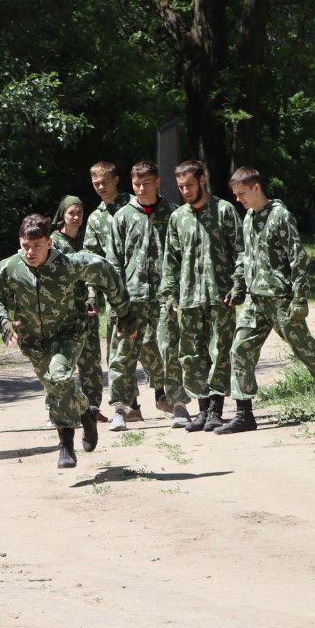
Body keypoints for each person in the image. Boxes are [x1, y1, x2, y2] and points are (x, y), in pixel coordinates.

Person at [0, 214, 137, 468]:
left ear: (49, 243)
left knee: (60, 377)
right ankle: (86, 413)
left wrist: (125, 312)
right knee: (55, 387)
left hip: (68, 332)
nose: (30, 252)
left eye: (37, 246)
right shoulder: (11, 267)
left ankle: (65, 445)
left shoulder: (69, 265)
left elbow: (105, 271)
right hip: (33, 340)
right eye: (25, 246)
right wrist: (3, 322)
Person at [214, 166, 315, 434]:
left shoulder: (281, 216)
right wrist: (238, 285)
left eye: (242, 193)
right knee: (240, 349)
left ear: (256, 187)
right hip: (255, 300)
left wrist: (300, 298)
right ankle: (244, 414)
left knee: (306, 350)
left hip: (281, 299)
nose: (238, 199)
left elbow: (298, 258)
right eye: (235, 195)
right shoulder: (248, 218)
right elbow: (246, 256)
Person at [160, 160, 244, 432]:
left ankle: (216, 410)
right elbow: (170, 261)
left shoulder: (224, 211)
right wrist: (170, 295)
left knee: (219, 352)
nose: (185, 190)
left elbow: (241, 251)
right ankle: (202, 409)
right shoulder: (178, 218)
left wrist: (238, 283)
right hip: (189, 298)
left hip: (220, 297)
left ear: (202, 181)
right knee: (191, 355)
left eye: (190, 185)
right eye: (181, 186)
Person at [105, 160, 187, 431]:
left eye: (147, 183)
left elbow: (181, 256)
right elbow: (113, 262)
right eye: (137, 184)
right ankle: (120, 409)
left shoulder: (173, 214)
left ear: (157, 182)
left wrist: (177, 292)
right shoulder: (123, 217)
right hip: (131, 298)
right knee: (123, 354)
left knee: (170, 349)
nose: (141, 188)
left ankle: (177, 405)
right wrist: (117, 300)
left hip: (166, 298)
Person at [84, 161, 142, 421]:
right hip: (114, 293)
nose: (101, 187)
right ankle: (131, 405)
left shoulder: (135, 205)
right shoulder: (96, 217)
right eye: (96, 183)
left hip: (142, 285)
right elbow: (91, 259)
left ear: (116, 179)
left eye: (105, 182)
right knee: (119, 349)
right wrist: (92, 294)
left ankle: (164, 394)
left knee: (152, 347)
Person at [50, 195, 107, 422]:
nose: (75, 217)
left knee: (91, 360)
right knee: (62, 361)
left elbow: (94, 270)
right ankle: (58, 408)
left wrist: (92, 296)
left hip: (88, 310)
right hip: (64, 313)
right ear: (63, 214)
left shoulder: (88, 239)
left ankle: (92, 408)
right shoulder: (53, 241)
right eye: (71, 213)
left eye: (79, 213)